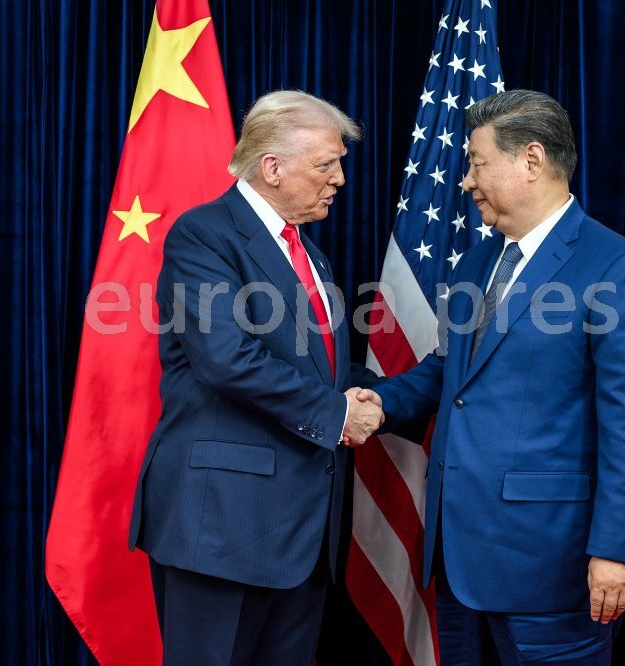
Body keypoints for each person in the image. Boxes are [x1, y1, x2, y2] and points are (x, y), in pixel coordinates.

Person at [354, 90, 625, 665]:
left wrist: (618, 550)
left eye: (476, 163)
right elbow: (452, 372)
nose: (466, 182)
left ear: (531, 160)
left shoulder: (618, 266)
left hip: (551, 566)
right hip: (457, 559)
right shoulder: (479, 261)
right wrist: (379, 403)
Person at [128, 90, 383, 666]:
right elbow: (226, 358)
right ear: (272, 167)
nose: (340, 179)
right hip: (223, 526)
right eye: (326, 164)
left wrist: (391, 395)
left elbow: (321, 368)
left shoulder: (310, 254)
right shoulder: (204, 234)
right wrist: (340, 414)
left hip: (303, 535)